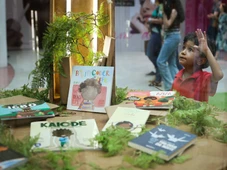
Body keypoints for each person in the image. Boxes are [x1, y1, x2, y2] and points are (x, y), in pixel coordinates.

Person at [172, 29, 224, 102]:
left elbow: (219, 75)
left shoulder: (204, 79)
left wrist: (206, 51)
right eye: (184, 48)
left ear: (200, 60)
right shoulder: (178, 75)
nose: (183, 52)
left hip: (196, 113)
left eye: (190, 50)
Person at [155, 0, 185, 90]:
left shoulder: (171, 10)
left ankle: (169, 86)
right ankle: (178, 85)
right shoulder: (174, 9)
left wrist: (167, 16)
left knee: (160, 61)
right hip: (172, 36)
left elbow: (167, 24)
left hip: (172, 36)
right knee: (172, 63)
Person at [146, 0, 163, 86]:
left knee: (150, 53)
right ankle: (158, 75)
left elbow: (161, 20)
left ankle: (159, 75)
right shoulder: (158, 7)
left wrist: (151, 20)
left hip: (157, 33)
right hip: (155, 32)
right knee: (155, 55)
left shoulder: (161, 7)